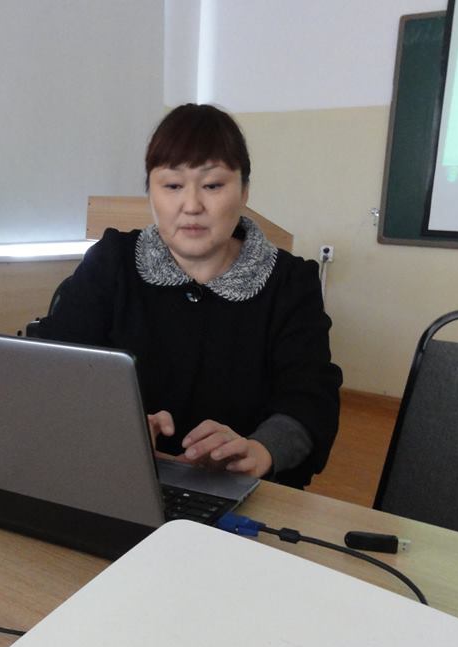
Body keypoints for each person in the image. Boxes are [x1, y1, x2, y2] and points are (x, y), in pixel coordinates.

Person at [39, 103, 342, 488]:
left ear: (244, 191)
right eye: (172, 186)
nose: (192, 206)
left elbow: (311, 399)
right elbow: (56, 368)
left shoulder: (290, 282)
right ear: (150, 192)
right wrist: (112, 425)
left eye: (213, 185)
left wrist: (260, 450)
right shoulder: (112, 262)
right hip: (118, 480)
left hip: (247, 494)